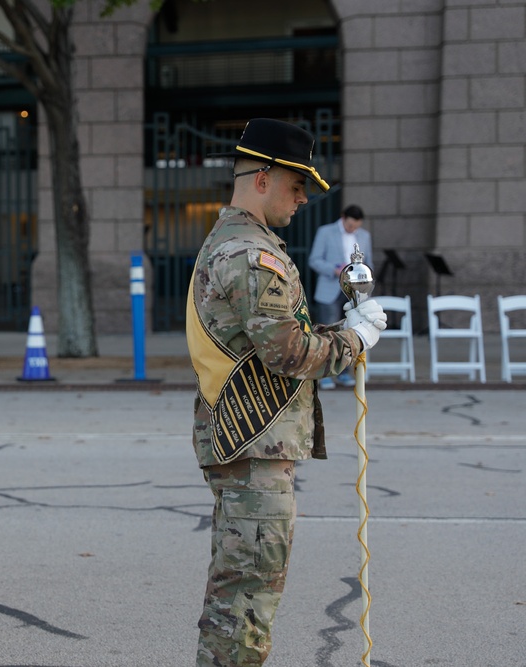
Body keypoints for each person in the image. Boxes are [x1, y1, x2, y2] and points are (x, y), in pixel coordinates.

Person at [185, 118, 387, 667]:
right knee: (244, 605)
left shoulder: (235, 244)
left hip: (244, 444)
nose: (302, 200)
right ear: (264, 178)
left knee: (239, 596)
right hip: (253, 448)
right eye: (297, 186)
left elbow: (269, 346)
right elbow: (290, 355)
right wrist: (356, 339)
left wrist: (339, 333)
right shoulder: (252, 254)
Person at [308, 204, 373, 390]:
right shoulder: (325, 232)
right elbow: (314, 260)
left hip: (355, 292)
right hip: (330, 288)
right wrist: (335, 270)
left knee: (349, 331)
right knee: (328, 332)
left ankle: (344, 372)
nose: (353, 229)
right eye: (350, 225)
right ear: (343, 218)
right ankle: (325, 374)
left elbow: (368, 263)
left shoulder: (365, 236)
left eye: (356, 226)